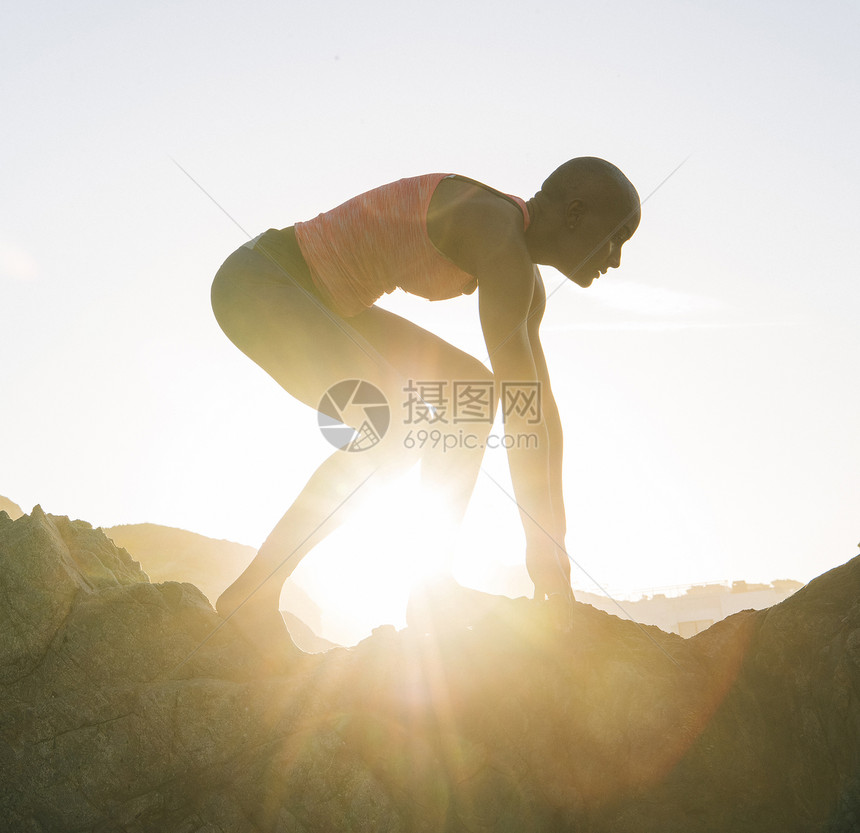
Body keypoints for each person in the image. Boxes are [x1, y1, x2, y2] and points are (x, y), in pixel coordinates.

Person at [211, 157, 641, 656]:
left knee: (469, 391)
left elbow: (539, 410)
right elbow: (523, 414)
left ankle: (433, 589)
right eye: (615, 237)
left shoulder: (522, 274)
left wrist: (554, 545)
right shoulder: (497, 236)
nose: (615, 259)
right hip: (261, 284)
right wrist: (540, 548)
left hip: (321, 299)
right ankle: (255, 594)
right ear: (574, 213)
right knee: (395, 431)